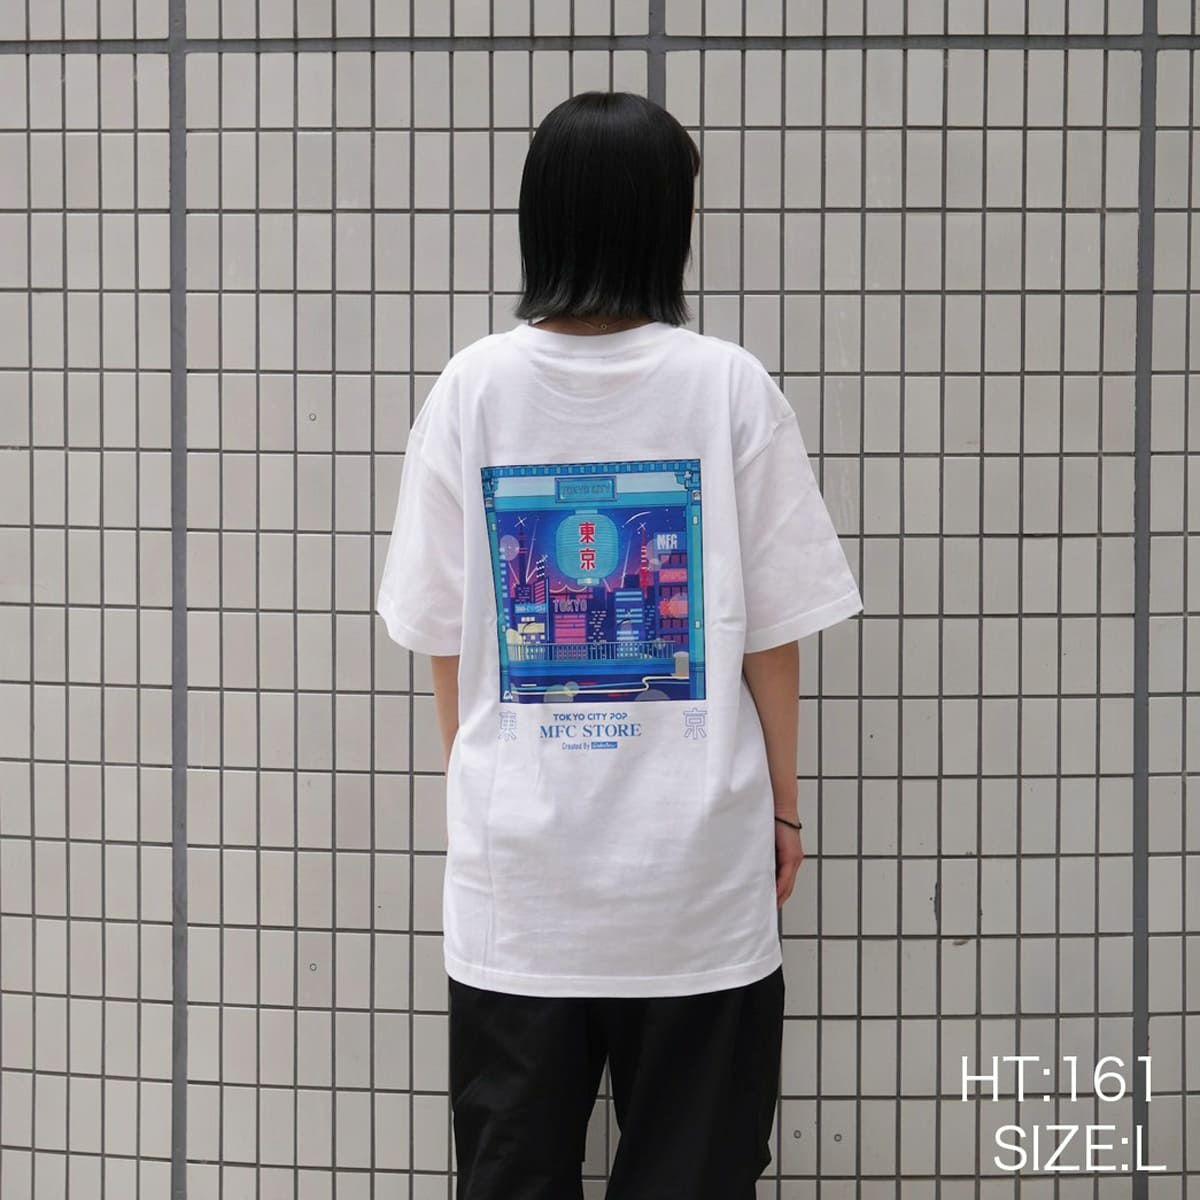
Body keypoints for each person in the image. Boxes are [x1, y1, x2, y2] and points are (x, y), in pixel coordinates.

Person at [375, 90, 864, 1200]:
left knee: (511, 1177)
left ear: (543, 218)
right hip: (695, 878)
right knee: (697, 1175)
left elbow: (443, 635)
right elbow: (773, 637)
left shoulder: (471, 389)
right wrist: (784, 809)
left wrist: (481, 788)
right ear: (659, 224)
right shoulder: (728, 386)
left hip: (519, 885)